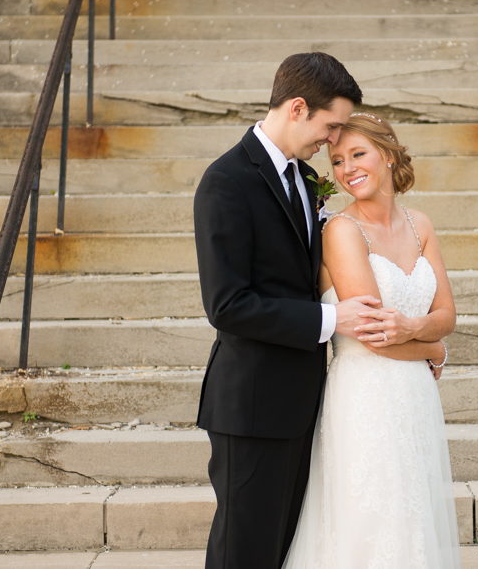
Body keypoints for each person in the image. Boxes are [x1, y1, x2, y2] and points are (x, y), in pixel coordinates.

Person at [193, 53, 382, 569]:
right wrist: (332, 321)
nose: (334, 140)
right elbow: (228, 305)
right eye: (331, 125)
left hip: (303, 401)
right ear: (298, 107)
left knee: (279, 553)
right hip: (252, 405)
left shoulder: (304, 177)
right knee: (243, 553)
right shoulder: (226, 181)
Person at [282, 113, 462, 568]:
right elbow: (375, 334)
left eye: (358, 154)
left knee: (413, 519)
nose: (347, 169)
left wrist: (421, 332)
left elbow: (447, 315)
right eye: (337, 160)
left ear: (386, 154)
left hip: (415, 396)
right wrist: (433, 349)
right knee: (373, 521)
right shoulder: (342, 231)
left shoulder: (420, 224)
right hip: (365, 397)